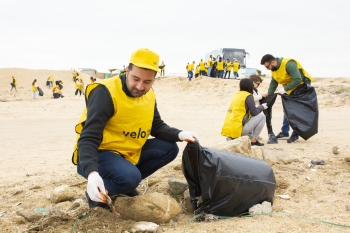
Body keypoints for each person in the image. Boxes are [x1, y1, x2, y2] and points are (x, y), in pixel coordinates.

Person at [71, 48, 199, 209]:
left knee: (169, 148)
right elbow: (88, 137)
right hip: (98, 154)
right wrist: (92, 173)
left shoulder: (149, 94)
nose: (140, 86)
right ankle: (97, 193)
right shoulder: (106, 92)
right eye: (135, 79)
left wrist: (180, 134)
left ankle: (123, 184)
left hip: (127, 153)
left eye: (147, 82)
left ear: (154, 79)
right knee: (130, 177)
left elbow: (156, 126)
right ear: (127, 70)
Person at [260, 54, 314, 143]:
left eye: (267, 67)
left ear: (272, 62)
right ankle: (285, 132)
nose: (267, 69)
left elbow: (297, 79)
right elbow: (273, 83)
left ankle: (296, 133)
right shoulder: (274, 69)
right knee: (287, 108)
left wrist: (285, 89)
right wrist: (269, 95)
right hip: (290, 87)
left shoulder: (289, 64)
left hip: (302, 85)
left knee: (297, 110)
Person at [221, 78, 267, 146]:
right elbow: (254, 112)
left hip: (229, 129)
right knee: (262, 117)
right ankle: (254, 140)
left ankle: (235, 137)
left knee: (247, 116)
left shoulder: (237, 94)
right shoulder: (248, 96)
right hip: (238, 129)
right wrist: (262, 107)